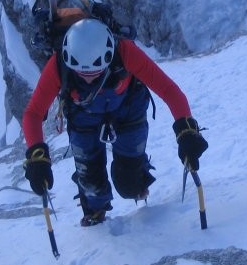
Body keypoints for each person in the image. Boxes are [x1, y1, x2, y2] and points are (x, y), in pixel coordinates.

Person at [22, 18, 208, 226]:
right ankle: (95, 211)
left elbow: (168, 91)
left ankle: (135, 182)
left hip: (127, 110)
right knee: (90, 180)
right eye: (82, 73)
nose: (88, 79)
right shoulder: (59, 65)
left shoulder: (125, 52)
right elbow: (33, 114)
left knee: (128, 182)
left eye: (94, 72)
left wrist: (186, 131)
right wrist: (36, 156)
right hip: (86, 116)